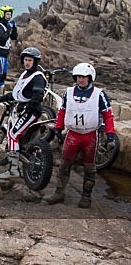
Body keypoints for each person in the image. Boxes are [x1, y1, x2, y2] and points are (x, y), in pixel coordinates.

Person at [45, 63, 116, 208]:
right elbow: (62, 112)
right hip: (72, 135)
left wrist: (110, 136)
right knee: (64, 165)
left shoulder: (99, 94)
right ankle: (59, 193)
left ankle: (86, 196)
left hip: (90, 136)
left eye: (84, 77)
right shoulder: (68, 92)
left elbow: (108, 116)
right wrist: (58, 129)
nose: (81, 80)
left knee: (89, 167)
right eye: (78, 77)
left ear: (90, 78)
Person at [0, 47, 47, 179]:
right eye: (25, 60)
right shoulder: (25, 74)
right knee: (17, 135)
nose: (27, 63)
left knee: (12, 135)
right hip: (22, 108)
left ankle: (13, 170)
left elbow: (38, 95)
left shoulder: (37, 77)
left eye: (30, 60)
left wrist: (28, 106)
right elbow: (18, 95)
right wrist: (3, 97)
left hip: (30, 111)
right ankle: (19, 155)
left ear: (36, 62)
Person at [0, 5, 18, 94]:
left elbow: (14, 37)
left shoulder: (6, 25)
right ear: (2, 14)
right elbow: (2, 40)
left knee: (4, 74)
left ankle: (1, 93)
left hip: (5, 53)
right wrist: (9, 28)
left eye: (10, 15)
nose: (9, 17)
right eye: (7, 15)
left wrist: (14, 29)